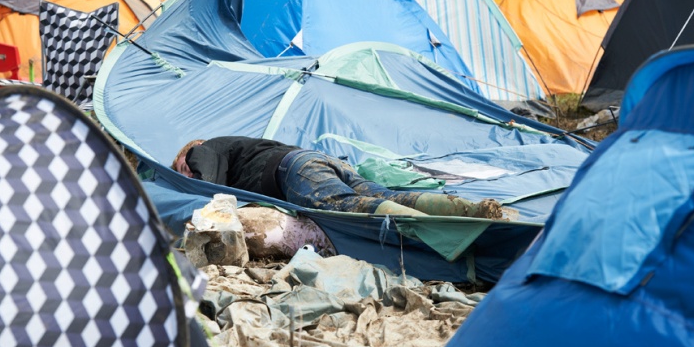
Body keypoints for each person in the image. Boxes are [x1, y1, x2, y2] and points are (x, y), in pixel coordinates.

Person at [171, 136, 505, 219]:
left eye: (179, 166)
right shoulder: (238, 146)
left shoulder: (203, 149)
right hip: (319, 160)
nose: (183, 172)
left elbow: (206, 187)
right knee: (385, 195)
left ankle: (433, 228)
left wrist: (186, 182)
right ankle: (467, 210)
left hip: (293, 169)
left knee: (343, 207)